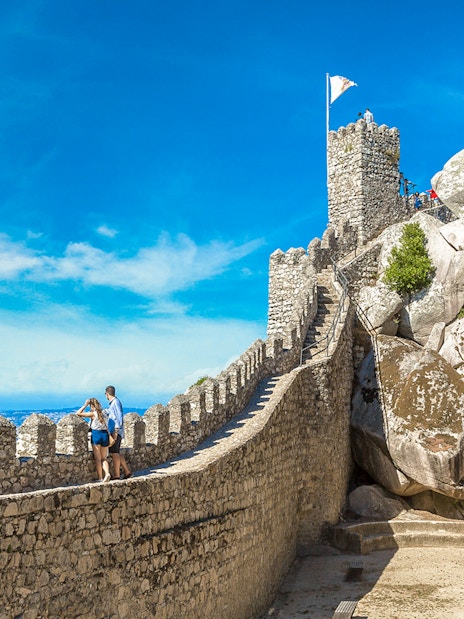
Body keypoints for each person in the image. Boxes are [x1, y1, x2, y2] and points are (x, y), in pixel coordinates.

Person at [75, 398, 111, 482]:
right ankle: (107, 473)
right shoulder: (105, 413)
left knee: (98, 458)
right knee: (104, 458)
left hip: (96, 435)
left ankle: (100, 478)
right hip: (105, 435)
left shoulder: (93, 414)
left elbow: (78, 413)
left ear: (92, 406)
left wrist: (85, 405)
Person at [104, 385, 132, 480]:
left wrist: (116, 431)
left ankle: (116, 475)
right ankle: (127, 471)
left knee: (114, 453)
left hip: (116, 431)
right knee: (117, 452)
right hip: (116, 430)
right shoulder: (113, 403)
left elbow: (119, 416)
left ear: (107, 394)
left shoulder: (115, 402)